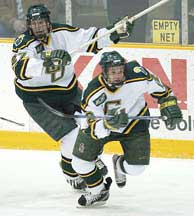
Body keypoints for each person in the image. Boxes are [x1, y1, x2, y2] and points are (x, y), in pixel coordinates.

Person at [11, 4, 133, 191]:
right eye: (34, 23)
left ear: (48, 22)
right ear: (29, 24)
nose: (38, 27)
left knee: (94, 124)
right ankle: (70, 171)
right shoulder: (23, 42)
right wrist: (48, 61)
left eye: (41, 22)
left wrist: (114, 32)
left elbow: (92, 38)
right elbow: (21, 69)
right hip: (38, 99)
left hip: (69, 91)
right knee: (72, 136)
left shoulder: (62, 32)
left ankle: (89, 157)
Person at [71, 50, 183, 206]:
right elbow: (94, 128)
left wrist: (168, 103)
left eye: (121, 71)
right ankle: (99, 192)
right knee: (79, 163)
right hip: (104, 127)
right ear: (104, 72)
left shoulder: (137, 73)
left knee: (137, 169)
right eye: (113, 72)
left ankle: (118, 164)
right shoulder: (92, 92)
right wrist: (109, 124)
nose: (118, 75)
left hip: (134, 125)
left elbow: (163, 91)